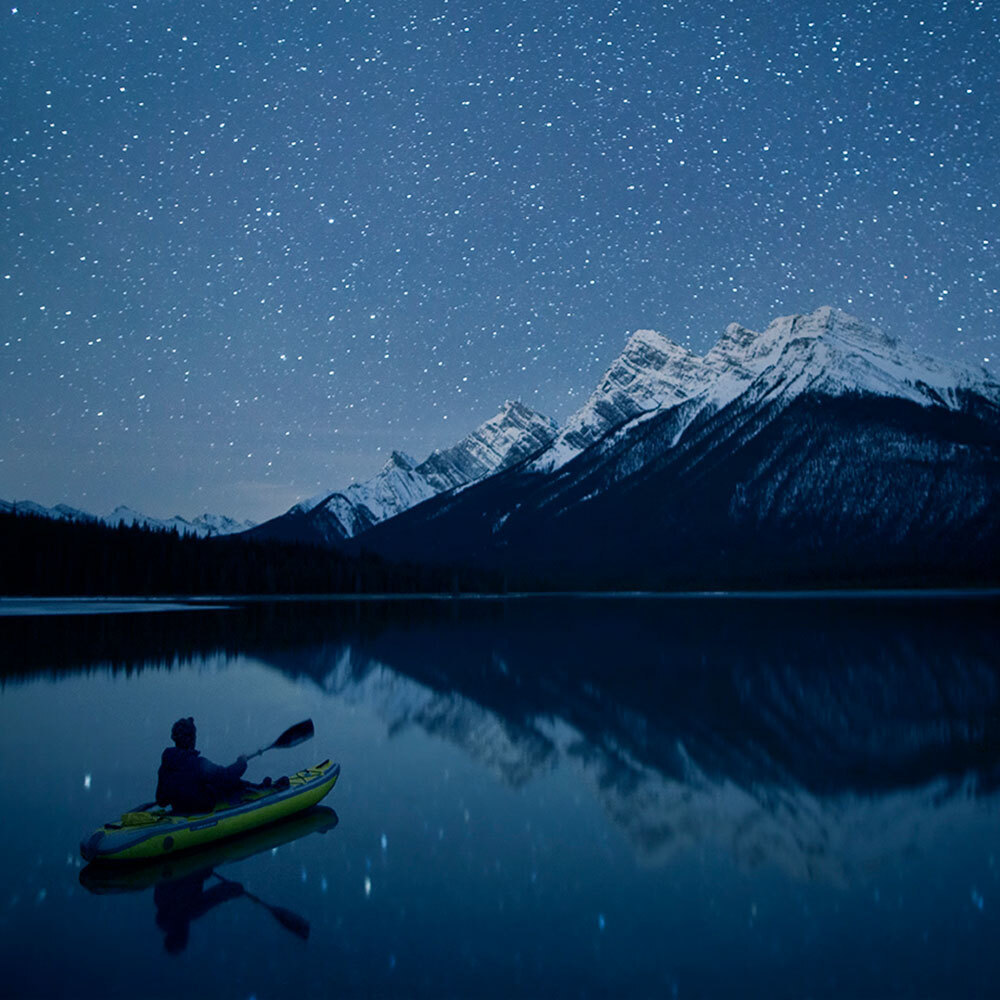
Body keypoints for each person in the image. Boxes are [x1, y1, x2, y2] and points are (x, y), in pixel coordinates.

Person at [156, 717, 248, 814]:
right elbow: (227, 777)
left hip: (179, 811)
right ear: (191, 738)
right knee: (232, 785)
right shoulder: (199, 764)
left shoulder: (166, 766)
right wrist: (241, 762)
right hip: (201, 811)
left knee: (212, 784)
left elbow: (162, 801)